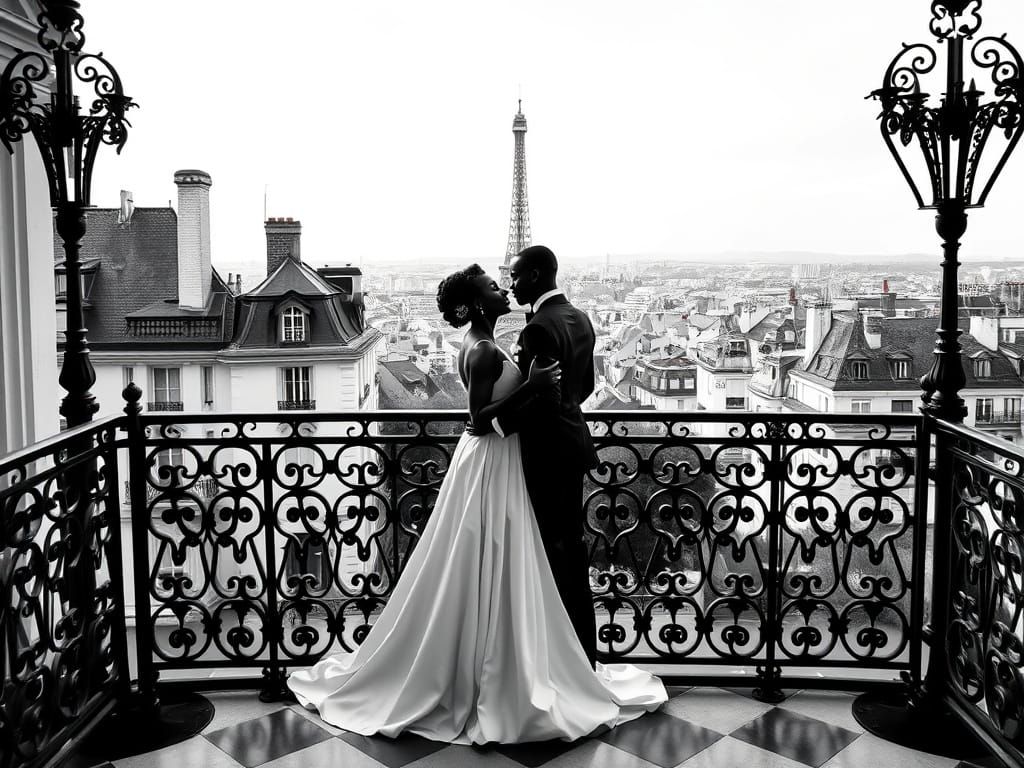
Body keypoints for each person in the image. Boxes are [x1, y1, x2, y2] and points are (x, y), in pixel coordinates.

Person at [287, 264, 666, 745]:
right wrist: (531, 386)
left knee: (482, 561)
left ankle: (484, 660)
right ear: (475, 304)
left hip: (490, 460)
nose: (501, 287)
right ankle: (501, 667)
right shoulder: (484, 348)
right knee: (495, 556)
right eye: (492, 286)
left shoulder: (482, 342)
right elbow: (479, 420)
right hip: (491, 459)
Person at [477, 244, 601, 667]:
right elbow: (583, 386)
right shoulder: (580, 317)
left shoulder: (537, 329)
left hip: (546, 453)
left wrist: (493, 425)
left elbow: (543, 398)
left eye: (514, 275)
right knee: (571, 548)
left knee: (549, 554)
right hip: (574, 446)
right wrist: (565, 406)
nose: (510, 283)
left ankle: (555, 657)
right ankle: (583, 652)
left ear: (534, 275)